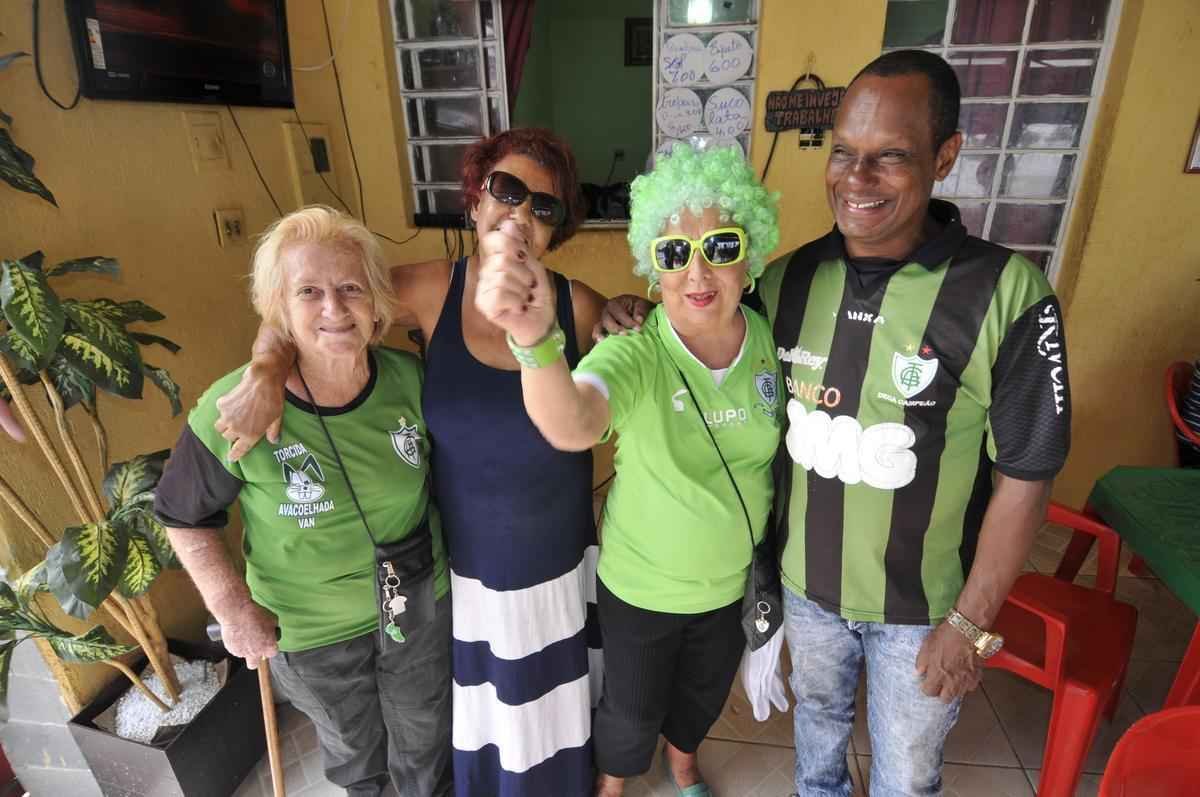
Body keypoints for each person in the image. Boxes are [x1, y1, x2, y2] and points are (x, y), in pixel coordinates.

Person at [600, 50, 1072, 796]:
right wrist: (619, 311)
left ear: (945, 156)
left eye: (890, 157)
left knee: (906, 774)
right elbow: (695, 321)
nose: (857, 180)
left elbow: (1028, 471)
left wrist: (973, 621)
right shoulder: (786, 281)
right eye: (845, 154)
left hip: (923, 611)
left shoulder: (1005, 293)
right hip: (807, 594)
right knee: (816, 742)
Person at [211, 128, 606, 797]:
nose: (520, 213)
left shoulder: (579, 304)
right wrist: (264, 370)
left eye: (545, 207)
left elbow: (652, 356)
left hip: (562, 554)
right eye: (507, 191)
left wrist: (630, 309)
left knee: (557, 708)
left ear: (557, 230)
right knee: (488, 717)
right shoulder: (429, 290)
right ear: (477, 198)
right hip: (471, 564)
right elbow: (318, 305)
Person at [476, 142, 781, 797]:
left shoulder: (768, 342)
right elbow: (573, 421)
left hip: (729, 584)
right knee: (631, 707)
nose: (698, 272)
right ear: (653, 266)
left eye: (721, 247)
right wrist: (535, 341)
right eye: (674, 252)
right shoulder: (636, 354)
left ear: (749, 258)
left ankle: (683, 762)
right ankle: (613, 782)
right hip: (643, 588)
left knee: (701, 697)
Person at [154, 206, 452, 797]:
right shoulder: (237, 407)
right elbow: (183, 514)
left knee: (425, 738)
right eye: (309, 292)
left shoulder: (411, 381)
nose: (334, 309)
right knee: (356, 755)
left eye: (350, 288)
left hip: (417, 604)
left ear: (376, 302)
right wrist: (231, 606)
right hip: (311, 631)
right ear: (280, 310)